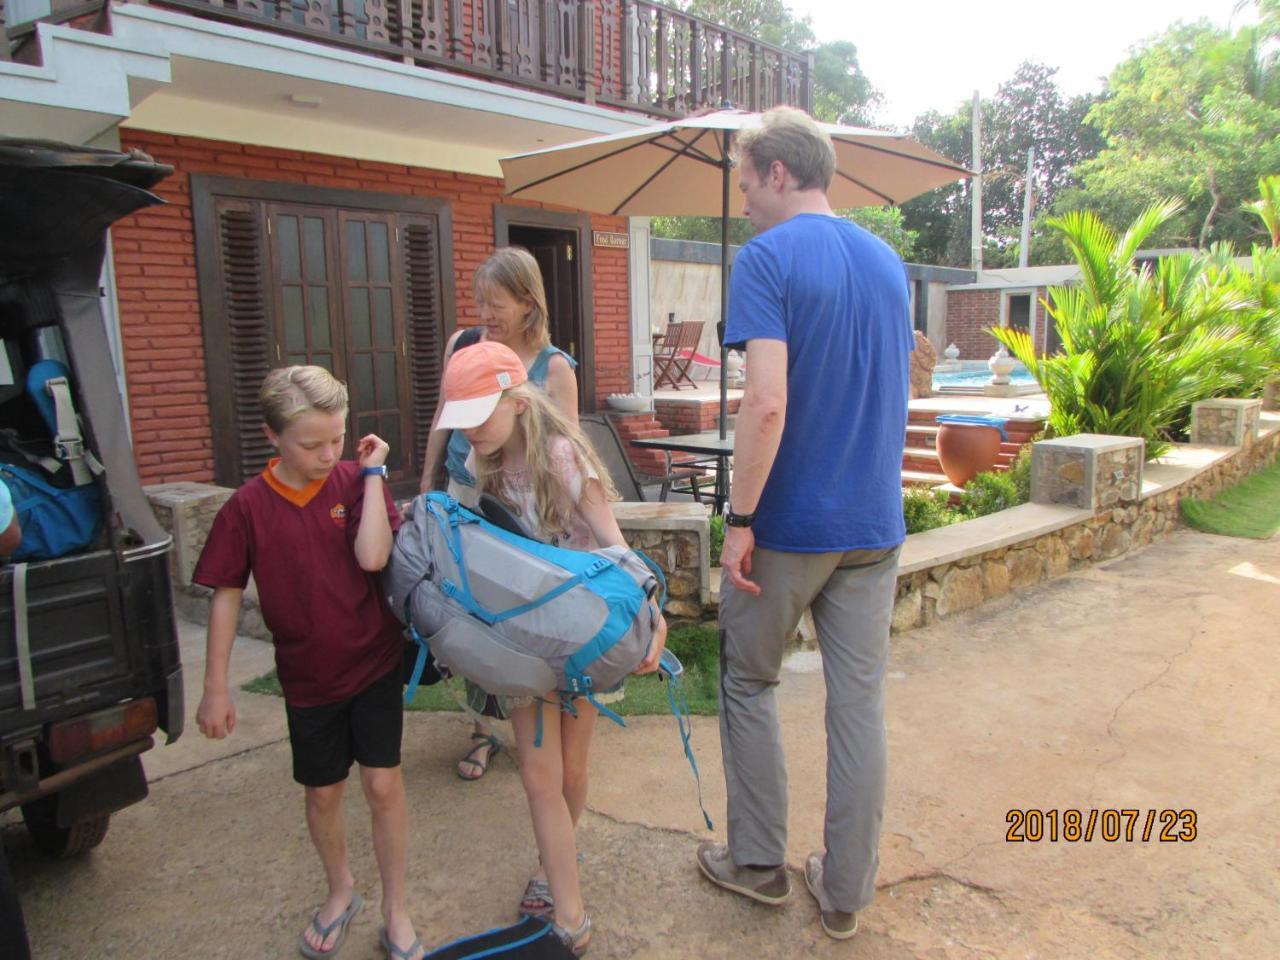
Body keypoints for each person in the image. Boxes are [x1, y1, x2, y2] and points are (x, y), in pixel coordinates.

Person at [693, 107, 913, 941]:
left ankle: (756, 864)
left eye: (745, 179)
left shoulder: (768, 257)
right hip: (874, 526)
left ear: (778, 172)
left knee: (749, 682)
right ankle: (845, 888)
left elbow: (768, 400)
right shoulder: (888, 262)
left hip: (789, 527)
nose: (742, 196)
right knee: (857, 704)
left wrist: (739, 519)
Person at [434, 340, 667, 956]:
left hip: (582, 640)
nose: (469, 433)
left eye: (479, 416)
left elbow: (615, 544)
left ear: (516, 399)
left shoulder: (563, 456)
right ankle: (571, 913)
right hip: (521, 647)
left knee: (569, 770)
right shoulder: (482, 468)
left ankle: (552, 868)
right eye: (460, 422)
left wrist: (651, 606)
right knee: (539, 776)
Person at [194, 366, 425, 960]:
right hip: (306, 678)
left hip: (373, 660)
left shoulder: (353, 481)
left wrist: (372, 474)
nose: (328, 454)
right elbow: (224, 592)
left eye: (338, 438)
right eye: (311, 443)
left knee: (381, 783)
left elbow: (375, 557)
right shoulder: (246, 508)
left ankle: (396, 907)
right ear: (272, 437)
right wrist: (215, 687)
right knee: (323, 793)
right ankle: (341, 888)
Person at [419, 247, 578, 787]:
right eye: (478, 301)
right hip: (465, 497)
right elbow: (445, 420)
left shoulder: (552, 367)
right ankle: (482, 728)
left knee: (516, 616)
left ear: (528, 304)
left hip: (523, 516)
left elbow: (570, 451)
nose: (484, 315)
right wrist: (427, 485)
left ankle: (536, 711)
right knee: (471, 612)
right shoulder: (464, 345)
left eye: (496, 304)